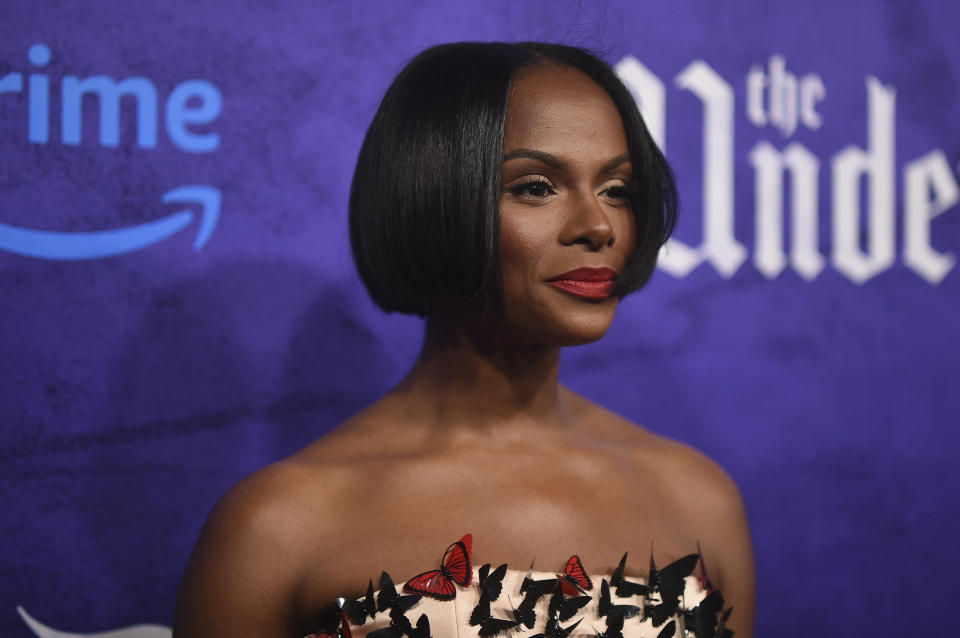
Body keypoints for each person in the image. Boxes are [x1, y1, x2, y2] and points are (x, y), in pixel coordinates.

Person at [173, 41, 755, 638]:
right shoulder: (277, 524)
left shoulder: (697, 498)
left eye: (617, 190)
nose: (598, 225)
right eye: (536, 186)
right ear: (434, 196)